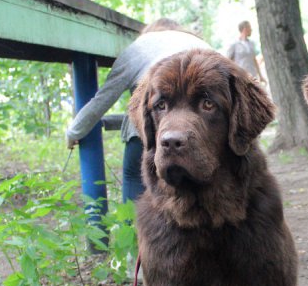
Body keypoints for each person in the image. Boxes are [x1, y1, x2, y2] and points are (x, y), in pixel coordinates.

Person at [65, 18, 213, 202]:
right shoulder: (202, 47)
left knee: (133, 177)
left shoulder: (139, 48)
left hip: (146, 132)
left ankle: (130, 226)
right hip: (201, 135)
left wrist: (74, 131)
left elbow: (102, 100)